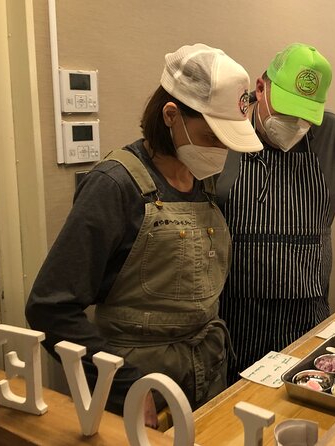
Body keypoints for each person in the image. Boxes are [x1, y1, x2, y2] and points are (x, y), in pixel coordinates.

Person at [26, 44, 262, 426]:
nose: (221, 151)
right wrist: (121, 385)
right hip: (139, 387)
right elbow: (51, 308)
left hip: (206, 373)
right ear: (172, 115)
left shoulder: (204, 182)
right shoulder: (115, 186)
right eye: (212, 136)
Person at [215, 43, 335, 383]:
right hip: (234, 312)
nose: (294, 123)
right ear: (260, 88)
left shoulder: (332, 133)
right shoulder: (223, 129)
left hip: (307, 309)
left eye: (304, 115)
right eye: (286, 111)